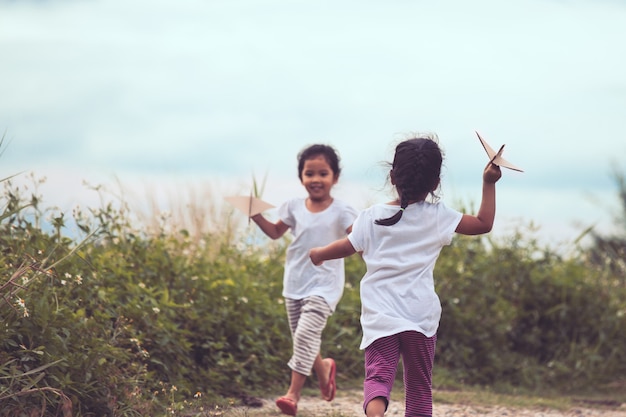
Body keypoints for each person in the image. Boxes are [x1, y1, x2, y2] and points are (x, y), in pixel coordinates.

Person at [309, 134, 502, 417]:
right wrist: (488, 182)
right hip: (420, 317)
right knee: (419, 387)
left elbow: (347, 247)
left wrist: (320, 253)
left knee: (378, 378)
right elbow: (484, 224)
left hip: (380, 316)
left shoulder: (370, 216)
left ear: (392, 176)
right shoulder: (439, 217)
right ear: (435, 183)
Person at [251, 143, 358, 416]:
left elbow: (357, 237)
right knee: (303, 338)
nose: (316, 179)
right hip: (295, 283)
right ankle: (324, 369)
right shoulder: (293, 207)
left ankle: (292, 394)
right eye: (309, 173)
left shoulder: (342, 210)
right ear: (301, 177)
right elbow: (275, 232)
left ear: (335, 177)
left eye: (323, 173)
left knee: (305, 334)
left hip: (325, 285)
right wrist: (255, 214)